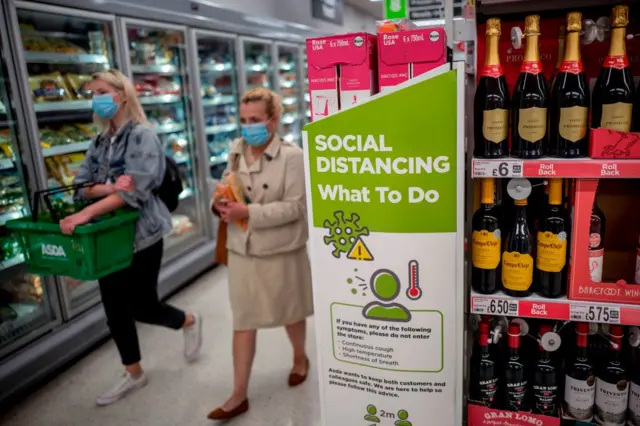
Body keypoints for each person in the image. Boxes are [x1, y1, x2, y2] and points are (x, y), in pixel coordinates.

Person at [59, 69, 203, 406]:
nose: (95, 97)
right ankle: (134, 372)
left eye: (101, 90)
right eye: (91, 92)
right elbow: (80, 188)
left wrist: (87, 210)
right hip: (108, 237)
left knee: (143, 307)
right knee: (114, 309)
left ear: (122, 95)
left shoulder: (143, 137)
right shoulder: (99, 141)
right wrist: (110, 187)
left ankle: (188, 320)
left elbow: (134, 193)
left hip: (143, 235)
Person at [208, 88, 314, 420]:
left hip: (281, 249)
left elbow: (297, 207)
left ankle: (300, 357)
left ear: (273, 120)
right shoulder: (236, 151)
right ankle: (239, 394)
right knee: (244, 320)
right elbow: (230, 188)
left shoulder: (293, 156)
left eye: (255, 120)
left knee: (290, 312)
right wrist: (220, 205)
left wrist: (248, 213)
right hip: (243, 249)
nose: (247, 126)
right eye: (243, 120)